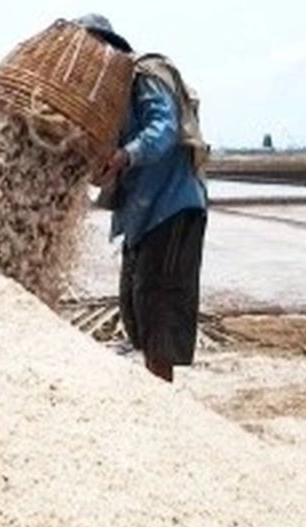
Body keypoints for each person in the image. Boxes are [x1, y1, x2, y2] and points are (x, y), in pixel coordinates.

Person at [75, 14, 209, 384]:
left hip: (171, 208)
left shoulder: (144, 76)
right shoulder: (110, 101)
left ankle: (162, 403)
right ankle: (155, 396)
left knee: (158, 308)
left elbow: (163, 130)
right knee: (136, 307)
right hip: (140, 217)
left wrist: (122, 157)